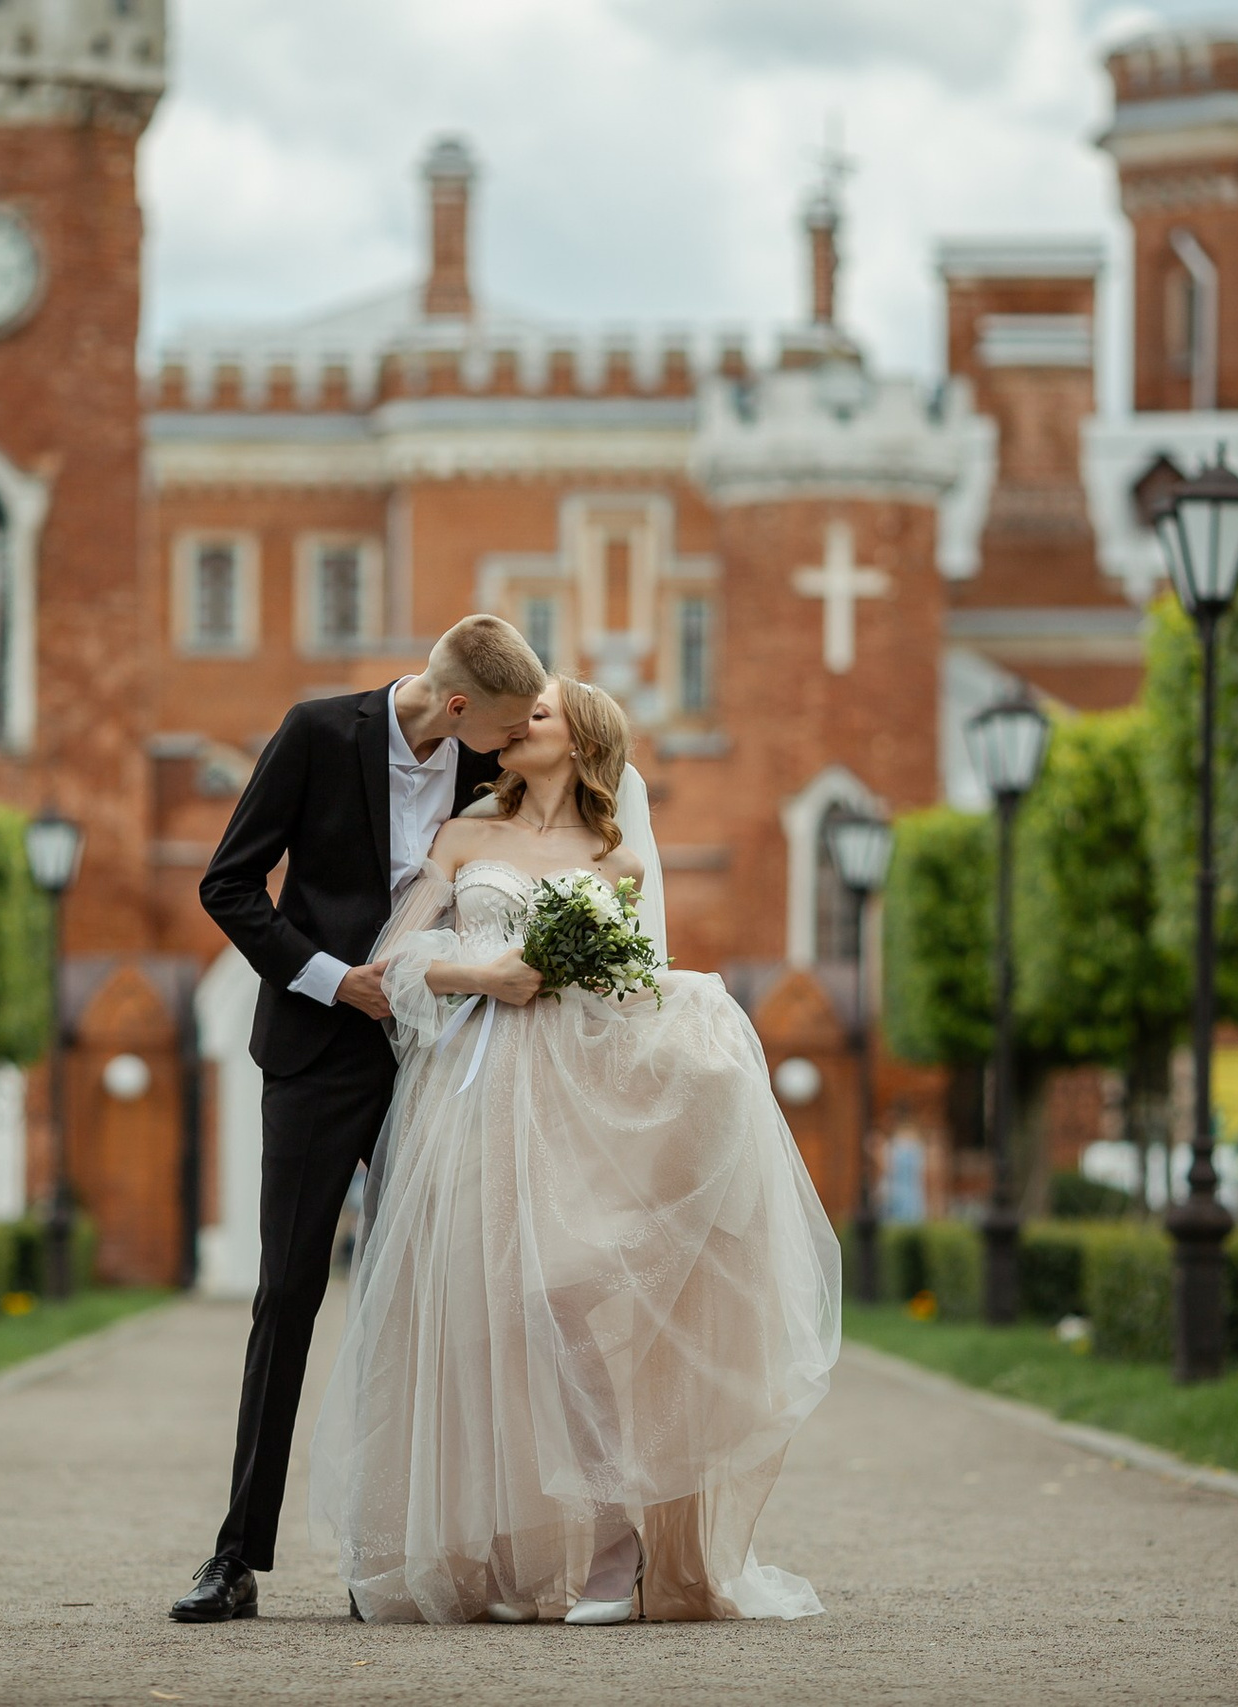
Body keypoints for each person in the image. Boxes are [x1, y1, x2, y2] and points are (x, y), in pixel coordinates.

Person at [307, 678, 841, 1625]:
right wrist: (491, 976)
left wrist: (690, 1027)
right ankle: (506, 1561)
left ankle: (610, 1547)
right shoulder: (463, 837)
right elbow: (398, 965)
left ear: (580, 741)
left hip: (567, 1095)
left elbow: (634, 981)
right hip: (468, 1089)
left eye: (536, 716)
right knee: (481, 1316)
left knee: (561, 1297)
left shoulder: (616, 859)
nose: (514, 728)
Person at [173, 615, 547, 1624]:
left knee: (422, 1303)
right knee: (287, 1293)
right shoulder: (315, 732)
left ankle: (386, 1557)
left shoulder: (487, 772)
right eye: (506, 729)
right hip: (317, 1052)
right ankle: (235, 1556)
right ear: (458, 706)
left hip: (444, 1059)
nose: (514, 748)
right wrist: (337, 984)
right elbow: (227, 884)